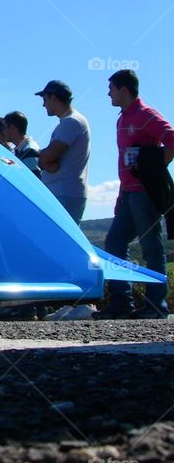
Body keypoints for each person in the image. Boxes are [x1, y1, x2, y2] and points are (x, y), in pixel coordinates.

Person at [95, 70, 174, 320]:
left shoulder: (145, 114)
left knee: (150, 247)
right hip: (128, 193)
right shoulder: (122, 119)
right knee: (114, 243)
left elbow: (171, 139)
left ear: (124, 90)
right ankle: (122, 302)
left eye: (112, 89)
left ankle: (155, 306)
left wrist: (156, 168)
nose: (108, 93)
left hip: (143, 193)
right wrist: (120, 195)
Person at [35, 80, 90, 223]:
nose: (43, 104)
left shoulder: (72, 122)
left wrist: (43, 156)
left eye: (45, 99)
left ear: (53, 97)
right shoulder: (68, 123)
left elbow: (49, 157)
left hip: (64, 193)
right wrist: (45, 158)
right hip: (63, 193)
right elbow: (47, 160)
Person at [4, 111, 42, 177]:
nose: (2, 131)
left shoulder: (29, 150)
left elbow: (34, 179)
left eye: (4, 128)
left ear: (12, 128)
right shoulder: (22, 150)